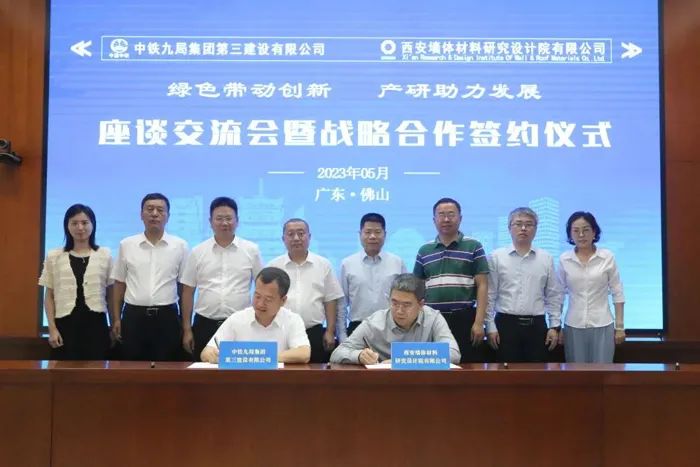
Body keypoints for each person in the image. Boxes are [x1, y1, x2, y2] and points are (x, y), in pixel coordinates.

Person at [180, 197, 263, 361]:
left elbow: (262, 287)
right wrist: (187, 329)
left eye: (229, 218)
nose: (224, 223)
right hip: (205, 324)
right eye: (219, 218)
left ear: (237, 221)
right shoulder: (198, 252)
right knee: (204, 372)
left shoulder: (251, 250)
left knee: (240, 372)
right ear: (210, 222)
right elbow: (188, 292)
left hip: (240, 324)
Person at [111, 193, 189, 361]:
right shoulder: (127, 245)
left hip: (167, 318)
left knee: (167, 368)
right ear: (141, 214)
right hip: (133, 317)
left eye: (160, 210)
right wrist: (116, 319)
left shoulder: (180, 246)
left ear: (168, 216)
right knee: (132, 368)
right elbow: (119, 284)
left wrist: (186, 325)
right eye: (150, 209)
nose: (154, 214)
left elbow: (183, 289)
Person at [413, 197, 489, 362]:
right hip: (432, 318)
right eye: (441, 215)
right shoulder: (424, 250)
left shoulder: (474, 246)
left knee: (467, 366)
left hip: (465, 318)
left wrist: (479, 322)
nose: (446, 219)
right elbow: (417, 288)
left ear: (460, 218)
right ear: (434, 220)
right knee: (434, 365)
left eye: (451, 214)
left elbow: (483, 285)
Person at [485, 207, 563, 362]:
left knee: (536, 373)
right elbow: (489, 295)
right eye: (518, 224)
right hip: (505, 326)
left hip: (537, 327)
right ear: (509, 228)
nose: (523, 228)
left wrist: (554, 326)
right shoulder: (496, 257)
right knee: (506, 373)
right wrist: (490, 326)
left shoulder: (546, 258)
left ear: (536, 229)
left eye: (529, 224)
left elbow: (553, 295)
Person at [330, 274, 460, 365]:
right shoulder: (374, 323)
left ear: (421, 304)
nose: (399, 310)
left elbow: (453, 354)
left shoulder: (433, 318)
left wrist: (401, 360)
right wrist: (359, 356)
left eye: (407, 305)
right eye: (394, 303)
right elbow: (337, 353)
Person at [38, 204, 113, 360]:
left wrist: (114, 323)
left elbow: (111, 295)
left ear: (93, 224)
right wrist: (52, 328)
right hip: (65, 326)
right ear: (67, 226)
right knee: (64, 372)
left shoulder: (104, 255)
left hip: (96, 326)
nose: (80, 228)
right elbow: (49, 296)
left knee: (96, 371)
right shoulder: (54, 256)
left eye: (85, 223)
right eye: (74, 223)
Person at [267, 218, 344, 363]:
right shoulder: (273, 266)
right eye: (291, 234)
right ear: (283, 239)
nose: (296, 238)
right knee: (282, 372)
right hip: (281, 331)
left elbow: (330, 300)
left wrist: (330, 331)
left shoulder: (323, 264)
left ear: (309, 237)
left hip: (314, 332)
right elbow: (267, 300)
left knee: (315, 373)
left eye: (301, 233)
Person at [200, 267, 310, 364]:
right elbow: (206, 352)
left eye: (268, 299)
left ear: (283, 300)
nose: (260, 304)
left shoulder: (292, 320)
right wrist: (213, 356)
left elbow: (304, 353)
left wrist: (261, 358)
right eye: (257, 296)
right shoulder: (237, 319)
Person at [558, 211, 625, 363]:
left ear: (594, 232)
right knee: (576, 372)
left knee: (602, 372)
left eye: (586, 230)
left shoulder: (607, 257)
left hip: (603, 323)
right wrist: (556, 326)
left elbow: (617, 292)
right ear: (570, 234)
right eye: (576, 231)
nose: (581, 235)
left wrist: (620, 327)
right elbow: (558, 295)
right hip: (573, 324)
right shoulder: (564, 259)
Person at [338, 213, 407, 342]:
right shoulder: (347, 264)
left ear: (385, 234)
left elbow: (406, 299)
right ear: (360, 234)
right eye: (368, 232)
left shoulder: (397, 263)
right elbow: (341, 304)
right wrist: (342, 336)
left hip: (392, 328)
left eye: (377, 232)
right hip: (358, 327)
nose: (373, 236)